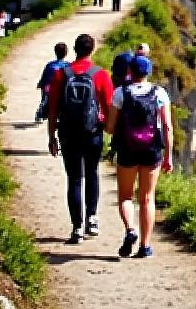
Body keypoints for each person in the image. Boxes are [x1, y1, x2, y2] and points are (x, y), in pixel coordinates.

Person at [47, 33, 114, 243]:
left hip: (68, 132)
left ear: (75, 49)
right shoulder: (100, 75)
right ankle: (91, 219)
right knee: (92, 174)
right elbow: (109, 106)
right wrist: (108, 128)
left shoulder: (61, 75)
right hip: (92, 132)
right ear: (92, 50)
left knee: (74, 179)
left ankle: (76, 227)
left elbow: (53, 109)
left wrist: (51, 136)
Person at [106, 54, 173, 259]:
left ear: (130, 71)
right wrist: (168, 156)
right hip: (152, 150)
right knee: (147, 198)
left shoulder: (120, 93)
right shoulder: (159, 93)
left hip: (127, 149)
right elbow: (168, 127)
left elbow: (109, 128)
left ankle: (130, 230)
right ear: (148, 72)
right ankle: (145, 246)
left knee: (126, 196)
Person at [35, 41, 69, 123]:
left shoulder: (50, 65)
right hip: (62, 88)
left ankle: (40, 114)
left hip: (48, 88)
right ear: (66, 53)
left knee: (44, 100)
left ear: (55, 52)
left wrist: (41, 84)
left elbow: (44, 77)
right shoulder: (68, 65)